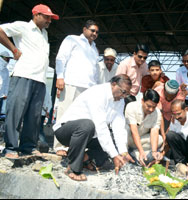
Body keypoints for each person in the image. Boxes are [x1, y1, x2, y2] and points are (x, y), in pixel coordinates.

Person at [0, 4, 59, 159]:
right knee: (15, 112)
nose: (49, 21)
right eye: (47, 17)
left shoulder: (44, 33)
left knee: (33, 116)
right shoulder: (23, 27)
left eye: (50, 18)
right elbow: (0, 30)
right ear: (36, 15)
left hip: (39, 79)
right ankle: (10, 148)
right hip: (23, 75)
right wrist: (13, 49)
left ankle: (28, 147)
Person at [53, 74, 134, 181]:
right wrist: (114, 155)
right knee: (88, 125)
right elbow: (100, 126)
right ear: (113, 84)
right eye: (123, 92)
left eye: (127, 94)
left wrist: (123, 152)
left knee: (112, 140)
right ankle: (73, 168)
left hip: (88, 135)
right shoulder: (98, 93)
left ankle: (85, 158)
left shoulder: (120, 100)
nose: (124, 96)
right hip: (66, 132)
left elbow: (118, 126)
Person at [54, 20, 100, 156]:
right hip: (71, 83)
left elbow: (95, 71)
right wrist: (60, 77)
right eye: (92, 30)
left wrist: (95, 88)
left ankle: (75, 146)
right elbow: (61, 58)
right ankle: (59, 147)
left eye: (97, 32)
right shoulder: (72, 39)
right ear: (84, 29)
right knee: (64, 115)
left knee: (81, 118)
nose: (94, 34)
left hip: (88, 88)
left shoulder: (94, 49)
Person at [125, 89, 163, 167]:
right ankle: (129, 153)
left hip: (141, 139)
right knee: (124, 134)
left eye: (154, 107)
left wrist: (154, 152)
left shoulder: (157, 113)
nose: (151, 110)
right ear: (142, 101)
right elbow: (134, 131)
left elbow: (154, 132)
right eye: (148, 106)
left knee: (160, 139)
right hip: (128, 139)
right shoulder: (131, 106)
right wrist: (141, 151)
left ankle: (136, 154)